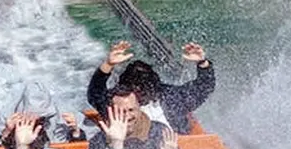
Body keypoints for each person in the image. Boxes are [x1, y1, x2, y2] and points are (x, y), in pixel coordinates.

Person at [86, 39, 215, 133]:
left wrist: (202, 62)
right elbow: (95, 93)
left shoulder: (172, 99)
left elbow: (204, 86)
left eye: (143, 89)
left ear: (155, 87)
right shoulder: (118, 102)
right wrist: (108, 65)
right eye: (134, 90)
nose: (139, 93)